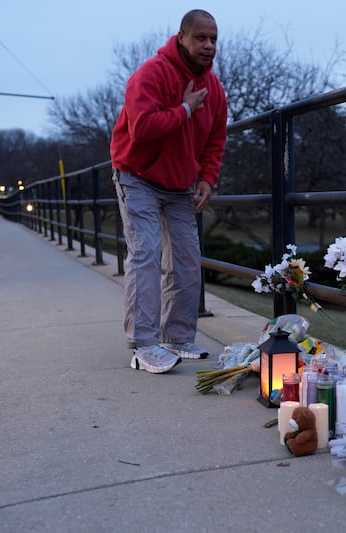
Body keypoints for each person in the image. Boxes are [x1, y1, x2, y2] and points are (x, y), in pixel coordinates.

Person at [110, 9, 228, 374]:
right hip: (137, 175)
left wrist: (207, 178)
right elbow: (142, 128)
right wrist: (185, 109)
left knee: (187, 258)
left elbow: (215, 140)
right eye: (200, 38)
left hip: (179, 185)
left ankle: (177, 337)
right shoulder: (151, 74)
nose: (208, 45)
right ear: (181, 37)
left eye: (213, 39)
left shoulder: (216, 89)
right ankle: (143, 345)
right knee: (145, 253)